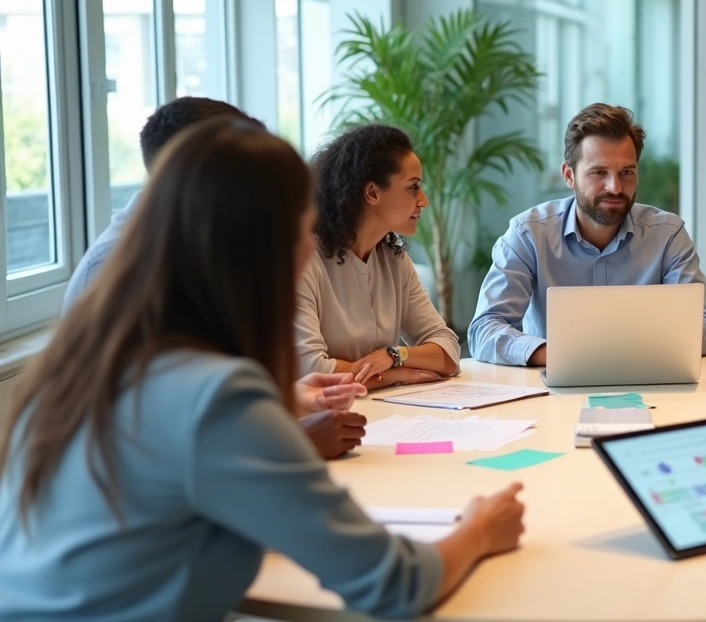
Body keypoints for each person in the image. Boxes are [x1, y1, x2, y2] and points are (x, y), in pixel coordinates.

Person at [0, 118, 526, 620]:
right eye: (303, 226)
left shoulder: (86, 361)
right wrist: (480, 528)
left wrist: (285, 406)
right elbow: (393, 583)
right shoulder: (217, 397)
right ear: (264, 246)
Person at [62, 96, 367, 459]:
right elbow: (148, 444)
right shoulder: (119, 270)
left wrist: (293, 397)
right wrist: (289, 440)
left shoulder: (197, 254)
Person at [468, 103, 706, 366]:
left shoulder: (668, 235)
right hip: (552, 388)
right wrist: (563, 355)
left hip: (647, 382)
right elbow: (484, 330)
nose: (615, 187)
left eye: (626, 172)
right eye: (599, 172)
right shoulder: (528, 234)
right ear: (569, 175)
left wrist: (617, 354)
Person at [295, 123, 460, 390]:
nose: (424, 200)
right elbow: (311, 368)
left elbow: (448, 350)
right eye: (413, 187)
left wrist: (394, 356)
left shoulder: (394, 258)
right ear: (372, 193)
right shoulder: (303, 259)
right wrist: (395, 375)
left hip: (380, 412)